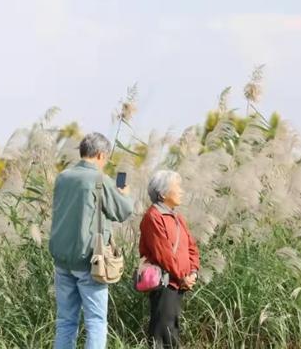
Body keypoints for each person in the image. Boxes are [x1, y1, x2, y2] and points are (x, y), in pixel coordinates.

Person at [49, 132, 134, 349]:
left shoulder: (63, 177)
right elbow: (123, 211)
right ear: (99, 155)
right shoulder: (99, 180)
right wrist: (123, 193)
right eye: (105, 158)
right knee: (96, 322)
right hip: (89, 260)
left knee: (66, 322)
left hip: (62, 259)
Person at [139, 170, 200, 348]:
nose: (181, 191)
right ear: (163, 193)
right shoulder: (153, 217)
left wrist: (193, 272)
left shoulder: (178, 218)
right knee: (162, 334)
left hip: (179, 283)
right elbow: (163, 254)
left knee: (172, 331)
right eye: (177, 187)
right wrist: (182, 277)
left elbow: (192, 247)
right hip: (164, 283)